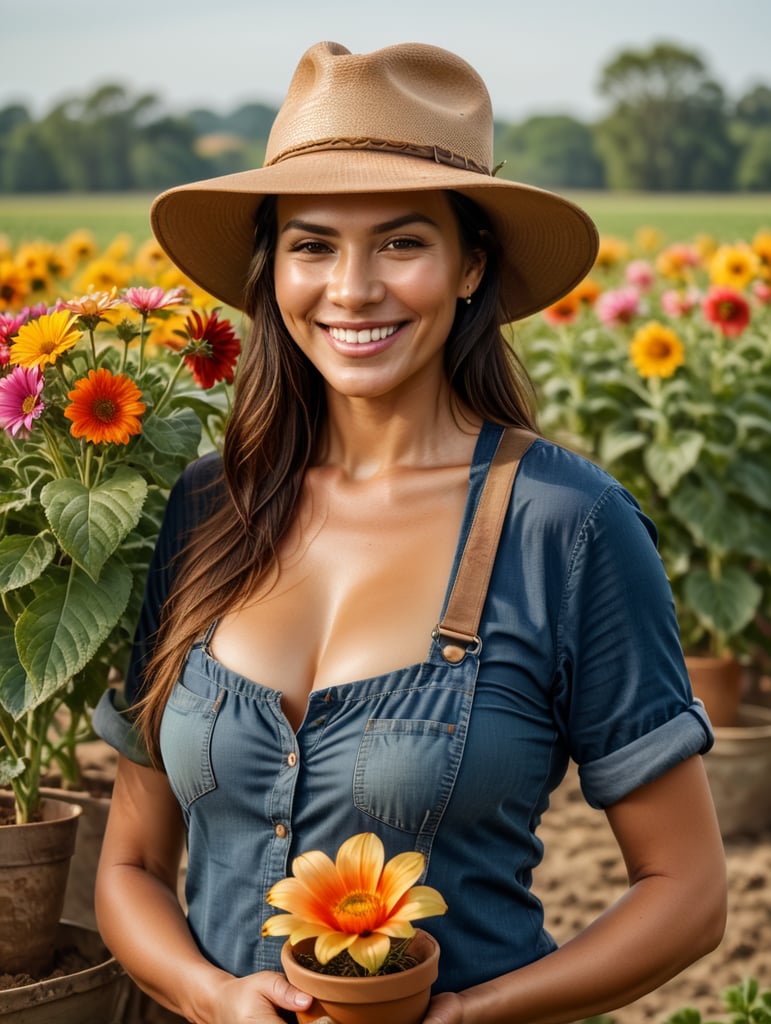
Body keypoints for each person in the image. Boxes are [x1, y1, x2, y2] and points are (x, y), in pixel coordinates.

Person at [93, 40, 727, 1024]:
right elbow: (131, 859)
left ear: (470, 263)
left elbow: (688, 893)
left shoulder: (569, 526)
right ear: (274, 271)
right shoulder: (210, 506)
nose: (351, 288)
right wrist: (212, 995)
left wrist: (472, 1014)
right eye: (311, 244)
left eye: (400, 242)